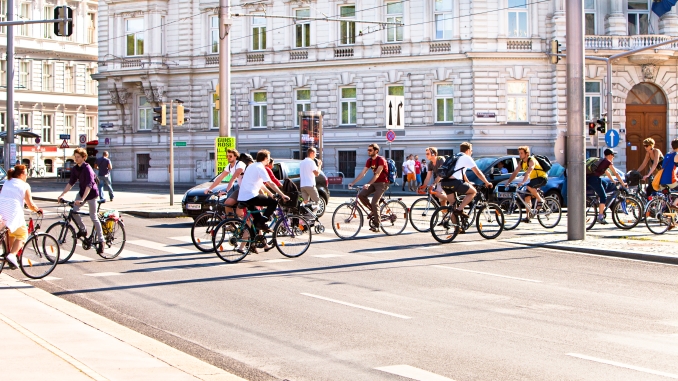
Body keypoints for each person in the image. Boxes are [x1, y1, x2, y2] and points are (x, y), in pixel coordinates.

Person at [57, 148, 105, 255]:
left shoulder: (88, 169)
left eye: (78, 157)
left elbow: (89, 185)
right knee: (74, 212)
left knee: (94, 217)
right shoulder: (75, 169)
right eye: (75, 156)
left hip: (91, 194)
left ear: (84, 158)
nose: (76, 158)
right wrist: (62, 194)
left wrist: (82, 199)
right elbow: (71, 183)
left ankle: (102, 241)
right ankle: (83, 229)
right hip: (82, 192)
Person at [0, 165, 43, 269]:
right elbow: (30, 204)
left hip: (2, 212)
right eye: (26, 173)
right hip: (13, 213)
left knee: (10, 232)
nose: (27, 175)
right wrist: (38, 210)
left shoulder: (7, 182)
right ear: (21, 174)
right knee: (23, 234)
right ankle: (12, 255)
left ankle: (7, 254)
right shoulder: (24, 185)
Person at [435, 142, 492, 218]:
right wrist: (486, 182)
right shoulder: (466, 157)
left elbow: (462, 173)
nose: (471, 153)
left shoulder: (455, 156)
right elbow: (477, 172)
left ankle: (457, 228)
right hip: (455, 182)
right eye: (471, 151)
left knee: (452, 205)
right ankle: (460, 209)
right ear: (468, 150)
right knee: (473, 192)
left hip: (445, 182)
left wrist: (468, 183)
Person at [237, 150, 289, 233]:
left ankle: (253, 242)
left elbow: (261, 185)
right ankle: (263, 223)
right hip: (251, 196)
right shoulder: (260, 167)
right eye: (268, 158)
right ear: (265, 158)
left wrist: (271, 194)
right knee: (273, 202)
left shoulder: (252, 166)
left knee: (257, 220)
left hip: (243, 197)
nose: (269, 160)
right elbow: (271, 183)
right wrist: (282, 195)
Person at [349, 143, 390, 232]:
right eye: (368, 150)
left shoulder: (381, 160)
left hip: (383, 183)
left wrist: (368, 184)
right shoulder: (369, 160)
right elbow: (363, 173)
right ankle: (374, 211)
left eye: (370, 150)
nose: (368, 151)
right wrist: (353, 182)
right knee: (361, 195)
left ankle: (377, 225)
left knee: (374, 202)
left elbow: (377, 174)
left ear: (376, 151)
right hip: (375, 183)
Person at [504, 146, 548, 223]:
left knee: (528, 186)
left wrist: (523, 182)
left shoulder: (531, 160)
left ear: (526, 154)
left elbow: (529, 171)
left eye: (521, 153)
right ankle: (528, 217)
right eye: (519, 153)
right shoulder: (521, 163)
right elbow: (515, 172)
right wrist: (508, 182)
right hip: (534, 180)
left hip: (542, 178)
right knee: (527, 197)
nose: (519, 155)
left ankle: (540, 199)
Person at [586, 148, 627, 225]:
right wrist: (623, 183)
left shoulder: (602, 161)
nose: (613, 157)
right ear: (609, 155)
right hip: (594, 179)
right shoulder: (607, 162)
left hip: (594, 178)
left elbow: (608, 173)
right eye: (613, 155)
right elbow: (616, 173)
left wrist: (614, 181)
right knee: (603, 196)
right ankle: (600, 217)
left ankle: (600, 200)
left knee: (605, 184)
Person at [205, 149, 247, 217]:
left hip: (248, 190)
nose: (228, 158)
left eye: (230, 156)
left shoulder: (240, 164)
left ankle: (247, 224)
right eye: (227, 156)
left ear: (235, 156)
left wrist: (226, 191)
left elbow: (233, 178)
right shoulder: (229, 166)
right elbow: (220, 178)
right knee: (227, 204)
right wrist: (209, 188)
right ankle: (231, 225)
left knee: (239, 212)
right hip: (241, 190)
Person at [658, 138, 678, 208]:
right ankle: (674, 204)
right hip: (670, 180)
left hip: (662, 180)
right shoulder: (676, 155)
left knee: (667, 197)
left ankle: (667, 211)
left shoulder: (667, 154)